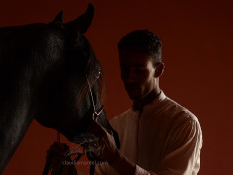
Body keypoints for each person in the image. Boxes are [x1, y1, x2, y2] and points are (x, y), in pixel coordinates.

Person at [46, 30, 203, 175]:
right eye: (124, 69)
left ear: (159, 70)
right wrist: (67, 170)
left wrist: (115, 157)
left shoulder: (184, 124)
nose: (129, 78)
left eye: (139, 70)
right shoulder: (115, 126)